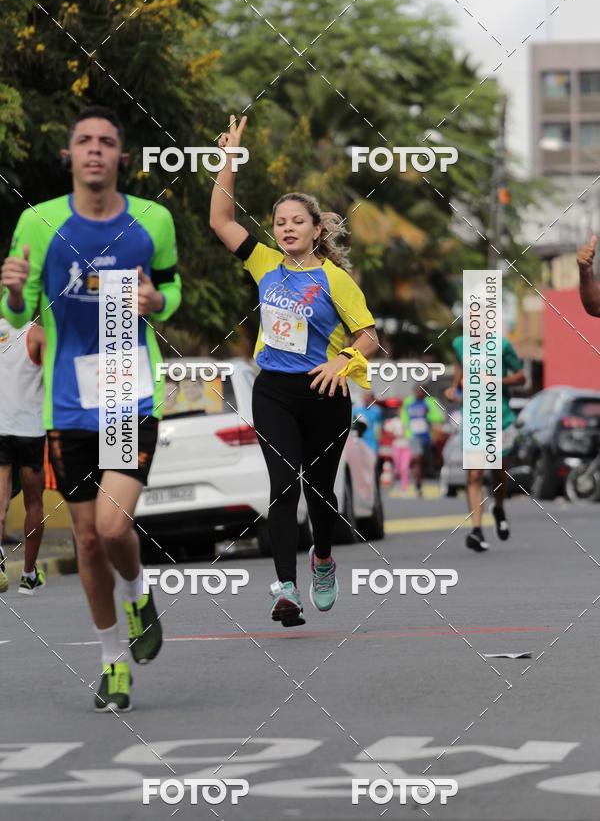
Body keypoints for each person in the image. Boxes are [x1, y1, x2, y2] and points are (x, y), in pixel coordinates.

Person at [0, 105, 181, 711]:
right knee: (86, 538)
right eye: (85, 141)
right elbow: (19, 309)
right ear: (70, 155)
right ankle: (112, 660)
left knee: (111, 526)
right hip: (67, 403)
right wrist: (10, 286)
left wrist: (157, 299)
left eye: (107, 142)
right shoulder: (38, 220)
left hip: (125, 391)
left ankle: (136, 592)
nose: (96, 150)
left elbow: (170, 287)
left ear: (121, 157)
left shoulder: (151, 220)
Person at [210, 116, 379, 626]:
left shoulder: (335, 279)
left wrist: (343, 361)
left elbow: (368, 335)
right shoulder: (264, 263)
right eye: (280, 221)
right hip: (275, 391)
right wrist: (229, 161)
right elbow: (221, 220)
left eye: (297, 221)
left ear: (316, 230)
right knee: (282, 487)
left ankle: (323, 559)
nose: (286, 227)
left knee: (320, 493)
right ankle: (285, 588)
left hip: (324, 393)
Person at [445, 334, 525, 552]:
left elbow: (521, 378)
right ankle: (477, 530)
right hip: (473, 417)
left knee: (498, 471)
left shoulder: (503, 346)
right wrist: (454, 387)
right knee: (474, 474)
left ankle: (498, 508)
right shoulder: (459, 343)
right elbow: (460, 365)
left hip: (499, 417)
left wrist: (495, 381)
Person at [0, 321, 46, 594]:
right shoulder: (37, 334)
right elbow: (55, 377)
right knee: (34, 502)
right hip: (31, 430)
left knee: (1, 499)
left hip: (1, 428)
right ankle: (29, 573)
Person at [401, 385, 445, 496]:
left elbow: (440, 417)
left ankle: (422, 477)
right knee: (418, 459)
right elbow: (404, 417)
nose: (419, 394)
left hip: (427, 436)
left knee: (426, 461)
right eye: (417, 392)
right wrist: (405, 429)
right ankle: (418, 484)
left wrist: (428, 415)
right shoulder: (408, 402)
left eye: (421, 392)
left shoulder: (431, 402)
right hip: (413, 436)